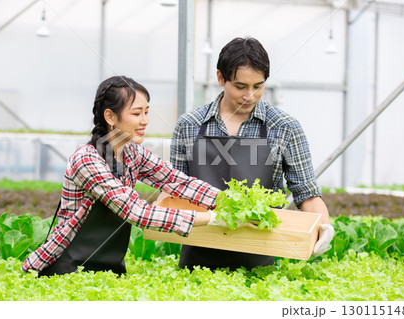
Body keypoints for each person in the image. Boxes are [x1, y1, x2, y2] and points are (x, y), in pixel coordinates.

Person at [21, 76, 255, 277]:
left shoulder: (132, 153)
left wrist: (230, 202)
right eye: (136, 113)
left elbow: (176, 181)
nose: (145, 120)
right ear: (110, 117)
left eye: (146, 112)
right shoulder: (88, 160)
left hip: (108, 268)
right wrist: (211, 218)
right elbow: (137, 212)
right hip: (66, 267)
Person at [157, 37, 334, 271]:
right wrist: (155, 212)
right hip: (197, 256)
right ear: (221, 78)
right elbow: (174, 189)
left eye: (258, 86)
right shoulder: (189, 125)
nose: (249, 96)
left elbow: (307, 193)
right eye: (241, 86)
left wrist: (323, 226)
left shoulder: (284, 127)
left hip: (263, 258)